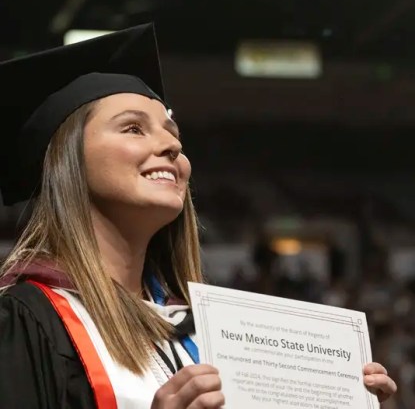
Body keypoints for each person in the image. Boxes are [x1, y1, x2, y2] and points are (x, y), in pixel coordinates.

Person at [0, 23, 397, 408]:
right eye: (134, 129)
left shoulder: (208, 332)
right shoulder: (25, 324)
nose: (171, 144)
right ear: (69, 163)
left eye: (173, 132)